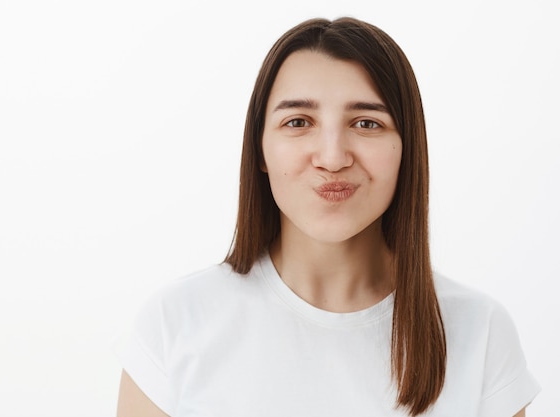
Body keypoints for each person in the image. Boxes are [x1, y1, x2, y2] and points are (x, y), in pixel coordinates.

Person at [114, 16, 540, 416]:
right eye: (298, 121)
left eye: (367, 123)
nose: (333, 158)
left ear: (407, 149)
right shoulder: (175, 325)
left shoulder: (480, 335)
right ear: (259, 150)